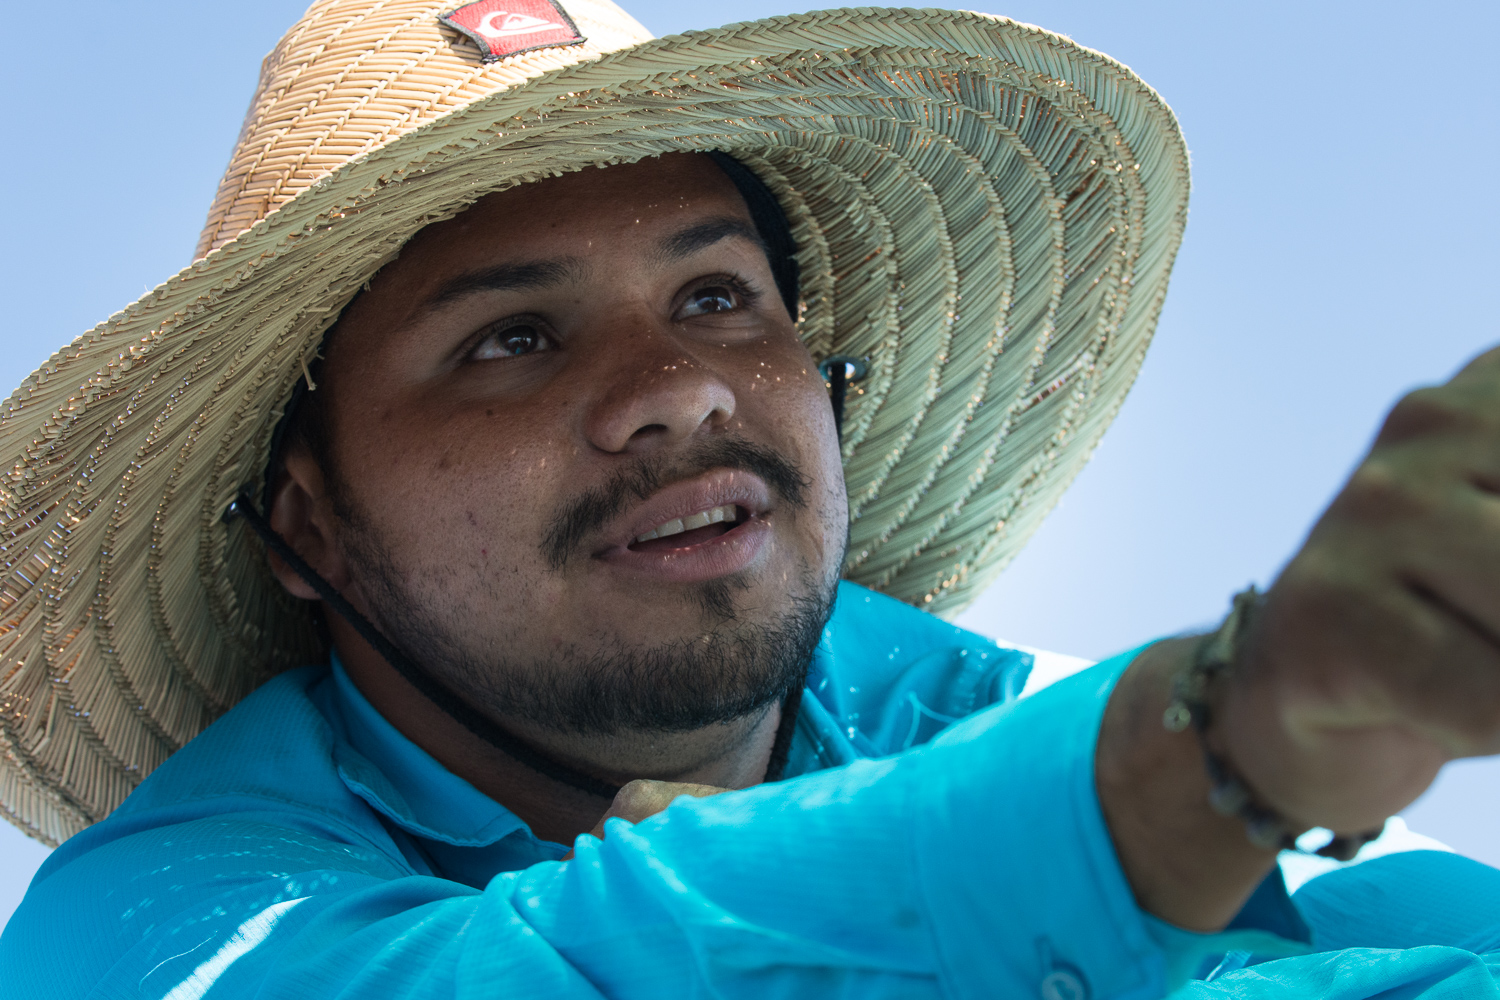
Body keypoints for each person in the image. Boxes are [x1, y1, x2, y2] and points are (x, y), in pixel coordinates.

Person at [1, 1, 1498, 996]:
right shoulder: (149, 917)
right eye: (510, 341)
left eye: (720, 297)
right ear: (309, 526)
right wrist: (1221, 751)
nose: (682, 388)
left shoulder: (999, 708)